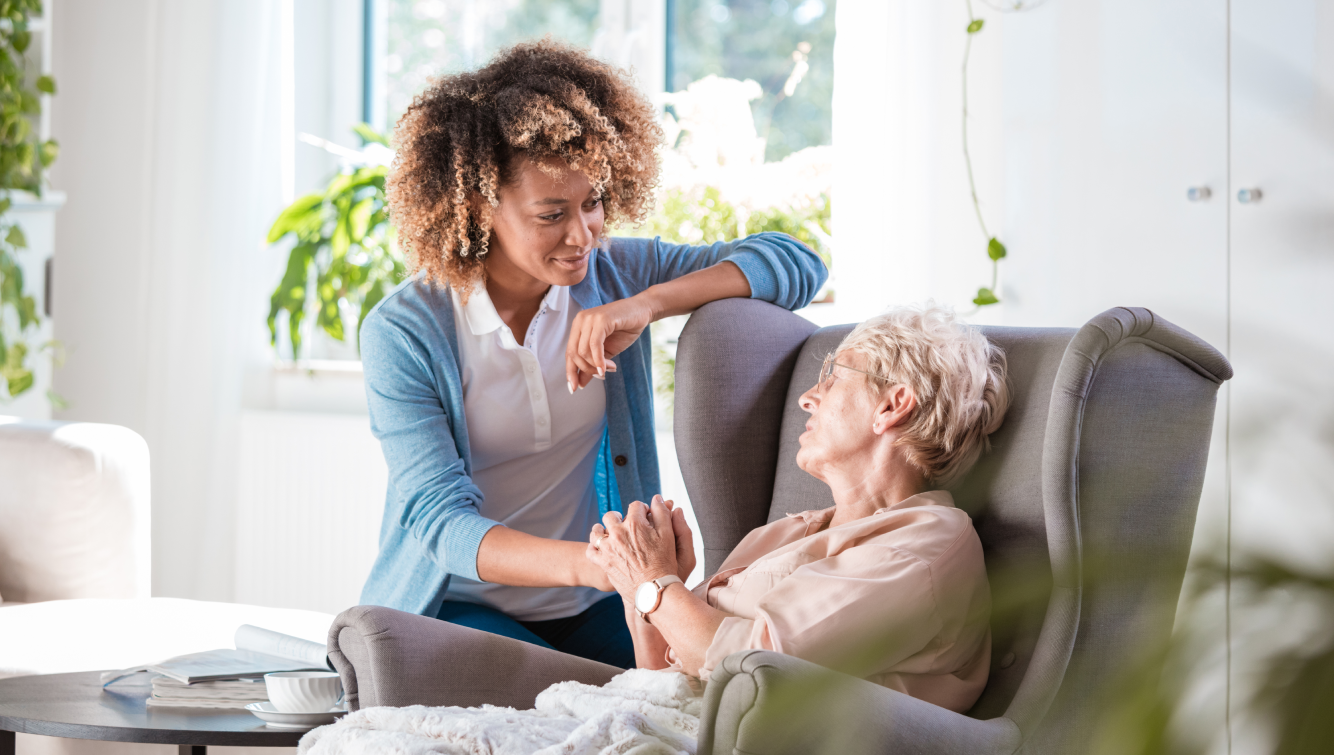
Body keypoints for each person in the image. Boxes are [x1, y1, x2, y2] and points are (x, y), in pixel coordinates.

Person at [357, 39, 828, 671]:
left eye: (593, 202)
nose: (582, 236)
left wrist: (648, 304)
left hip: (591, 600)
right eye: (552, 214)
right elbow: (441, 526)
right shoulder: (406, 331)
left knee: (711, 681)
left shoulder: (613, 276)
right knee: (558, 696)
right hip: (458, 604)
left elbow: (797, 264)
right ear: (479, 207)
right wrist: (608, 565)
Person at [588, 304, 1010, 712]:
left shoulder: (925, 545)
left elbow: (754, 674)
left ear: (892, 405)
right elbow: (658, 679)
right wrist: (639, 584)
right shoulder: (782, 533)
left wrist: (654, 583)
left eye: (835, 377)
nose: (808, 397)